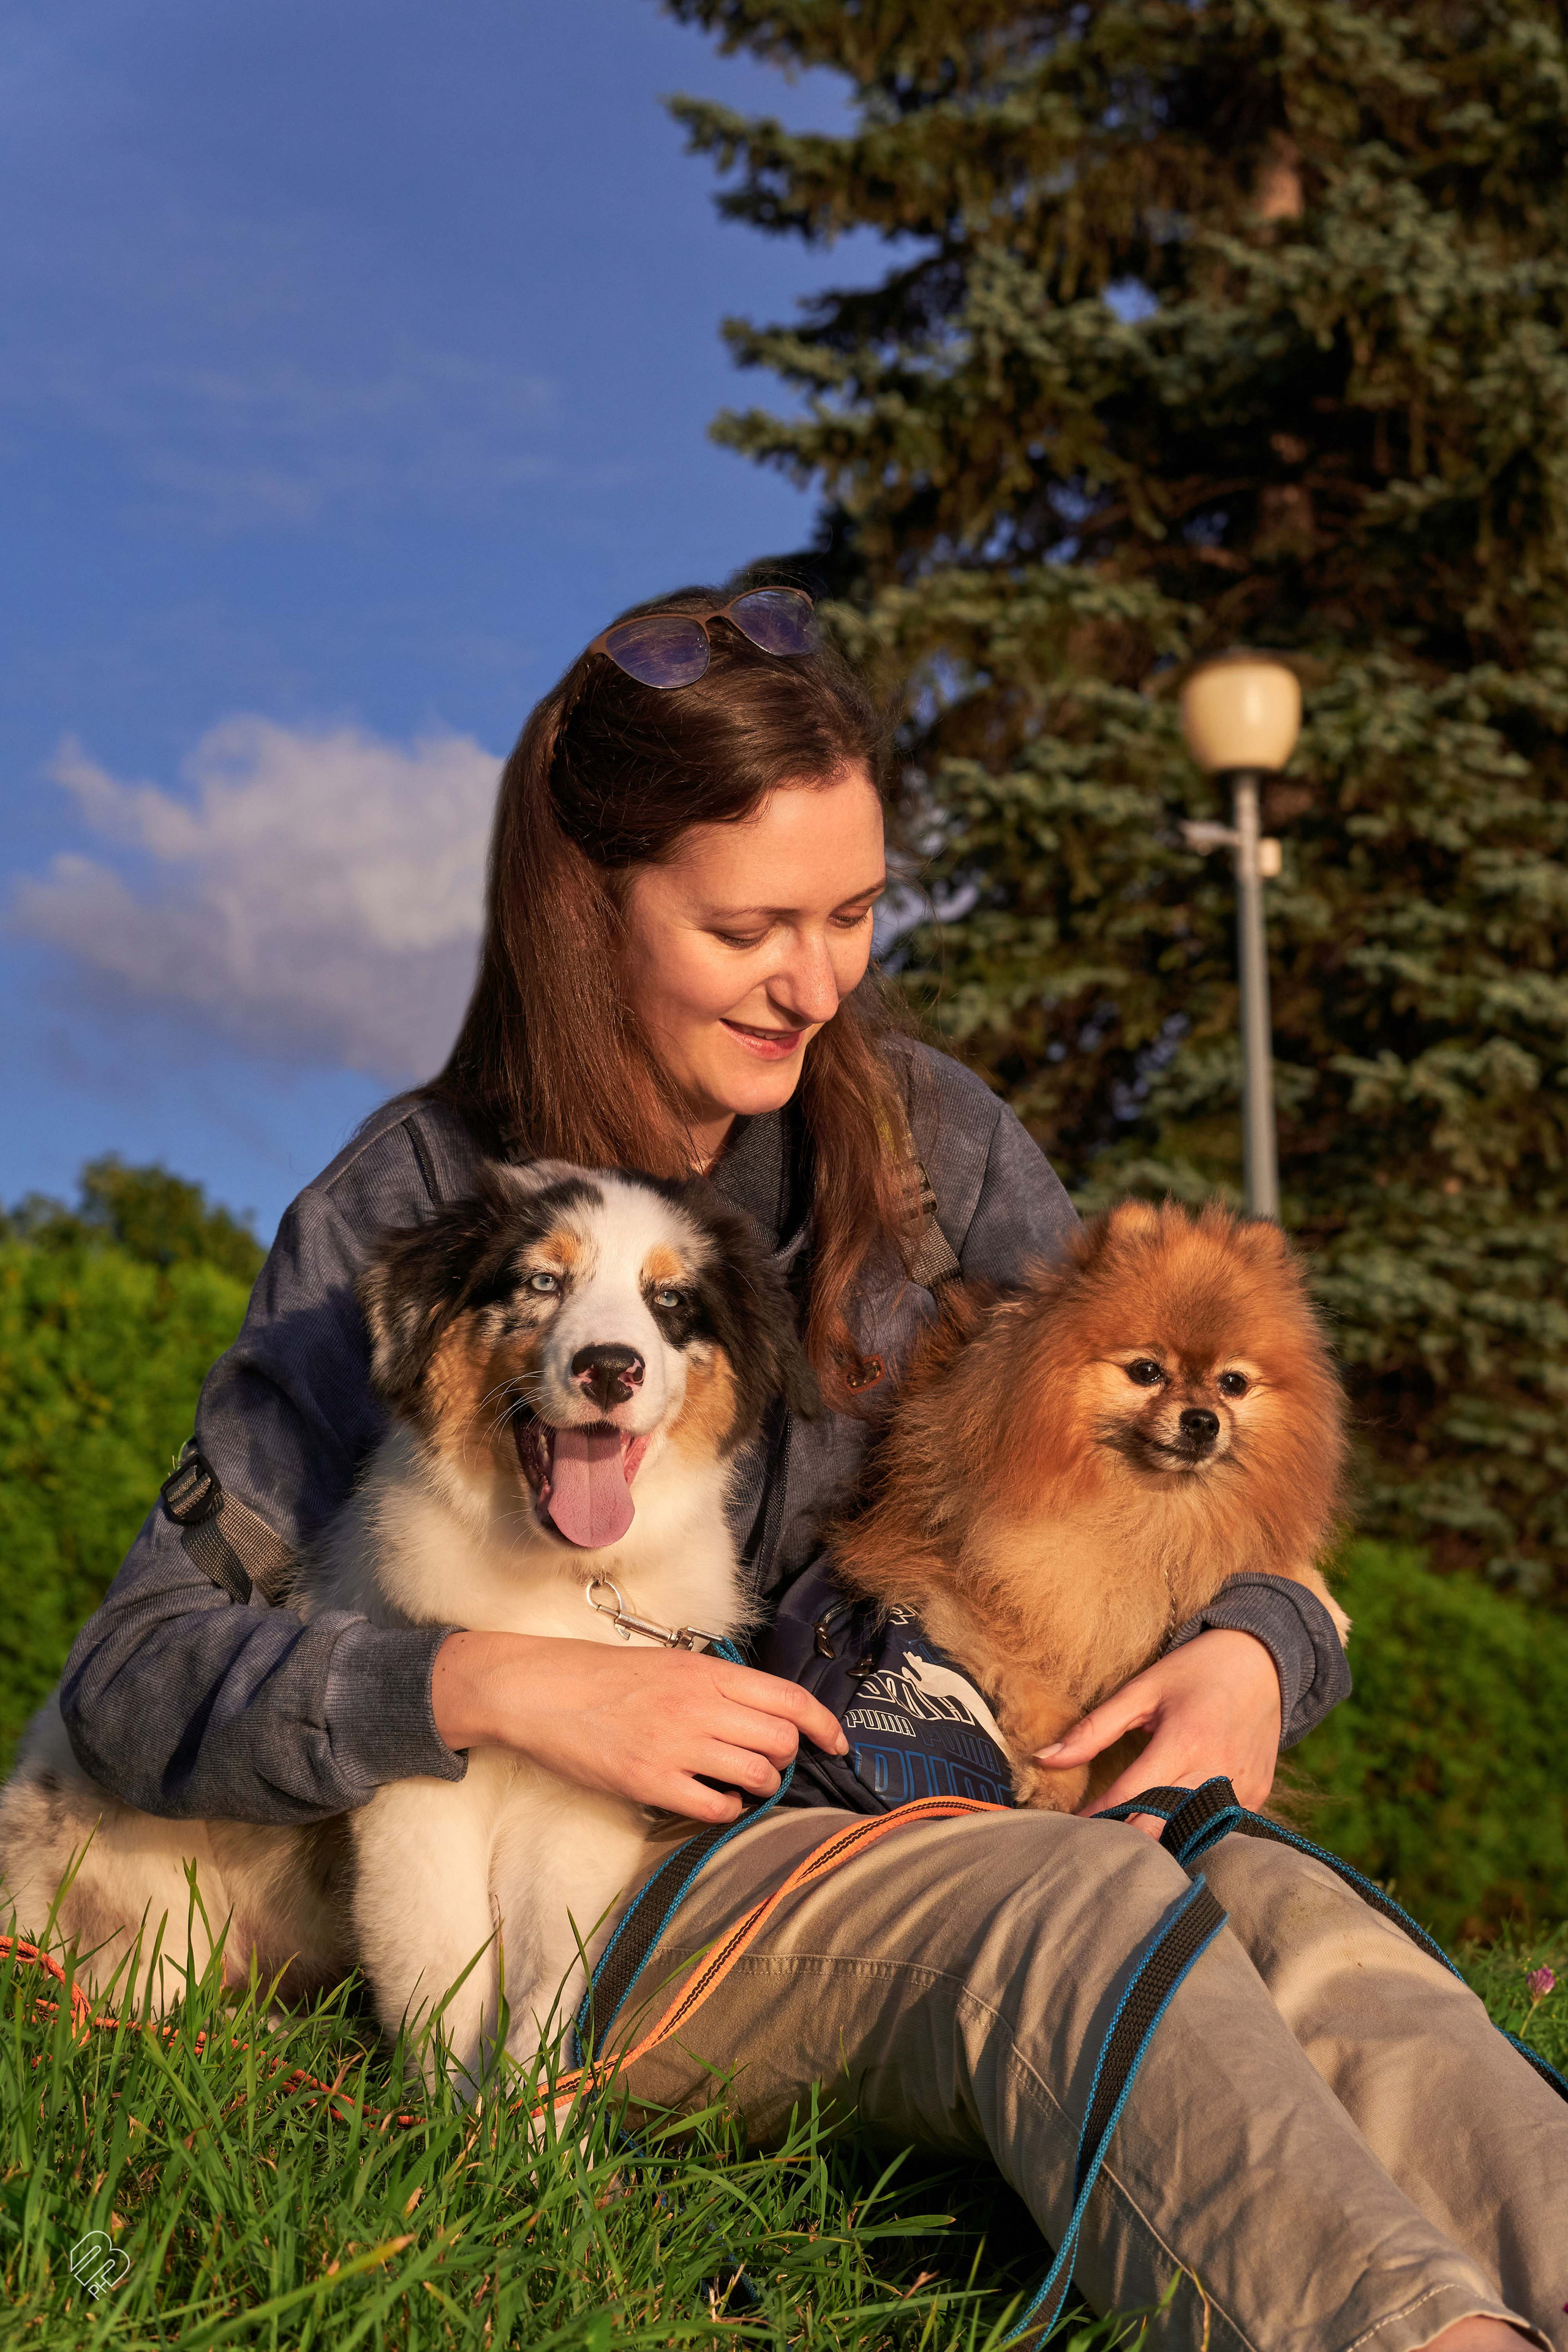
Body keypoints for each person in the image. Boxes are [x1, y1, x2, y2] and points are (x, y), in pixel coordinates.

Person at [56, 583, 1567, 2349]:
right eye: (750, 926)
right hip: (611, 1888)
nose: (816, 981)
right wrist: (496, 1682)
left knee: (1298, 1919)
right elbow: (135, 1685)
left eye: (850, 914)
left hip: (943, 1802)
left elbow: (1181, 1466)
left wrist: (1259, 1649)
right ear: (591, 903)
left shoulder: (928, 1154)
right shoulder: (413, 1213)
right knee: (1069, 1906)